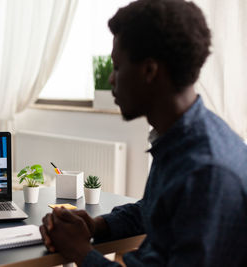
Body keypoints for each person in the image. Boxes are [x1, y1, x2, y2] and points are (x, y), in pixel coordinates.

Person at [40, 0, 247, 266]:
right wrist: (94, 225)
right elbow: (154, 210)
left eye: (117, 67)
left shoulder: (207, 172)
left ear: (149, 70)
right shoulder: (180, 138)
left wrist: (80, 252)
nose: (111, 80)